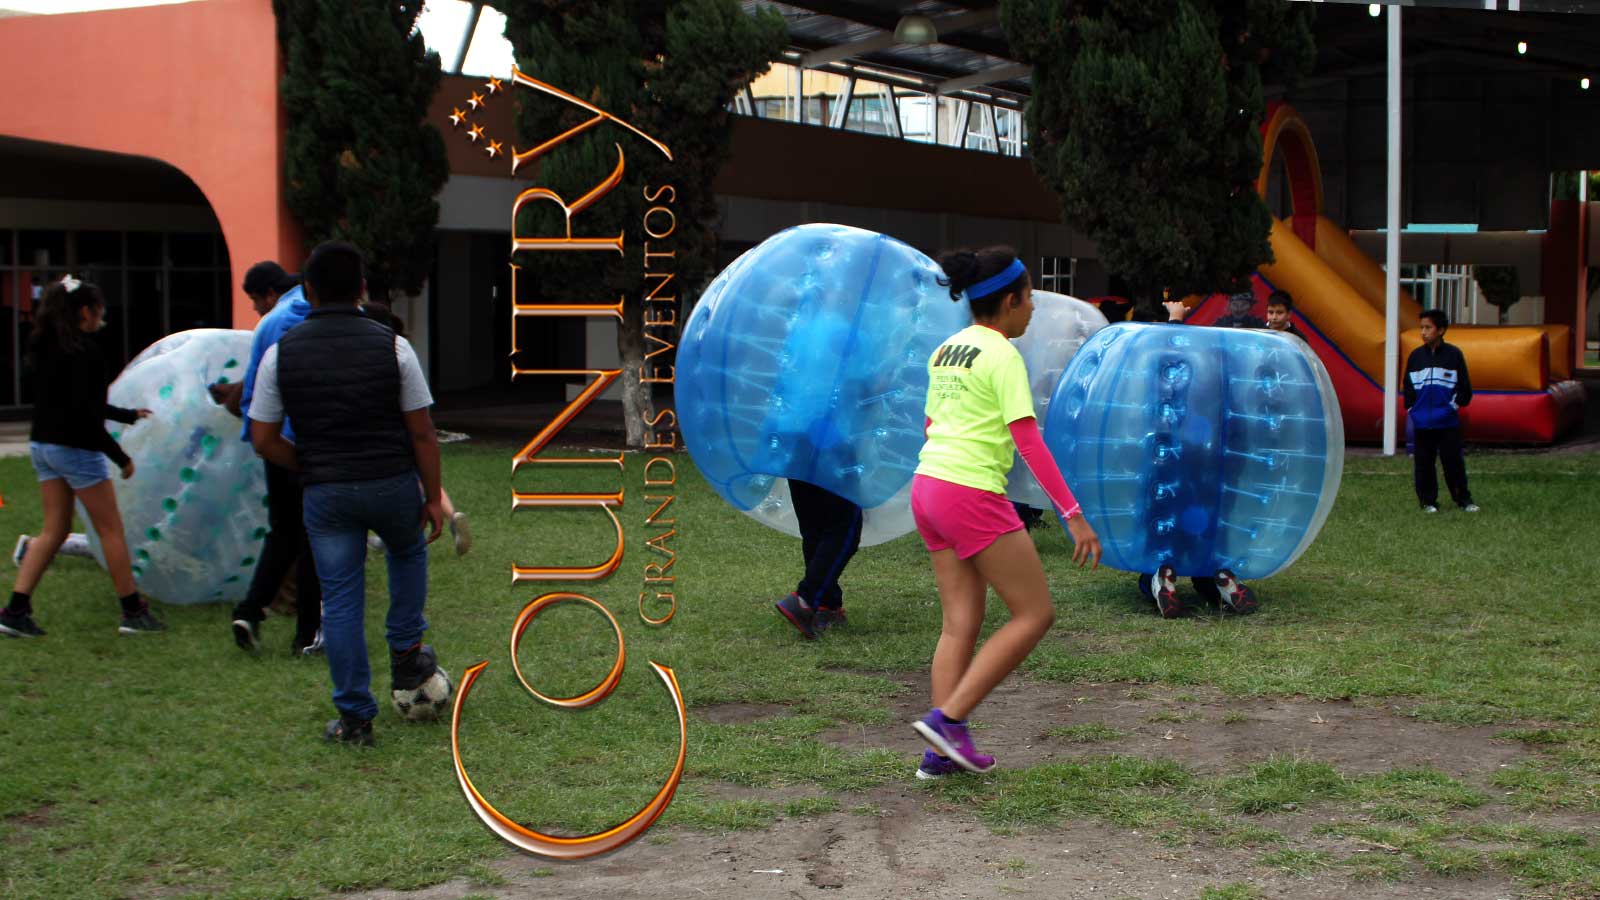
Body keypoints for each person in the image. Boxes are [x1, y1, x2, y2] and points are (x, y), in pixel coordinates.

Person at [908, 247, 1102, 779]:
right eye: (1030, 297)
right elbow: (1028, 440)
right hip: (968, 492)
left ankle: (940, 752)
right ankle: (948, 721)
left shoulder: (947, 350)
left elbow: (931, 425)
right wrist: (1073, 514)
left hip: (929, 487)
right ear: (1011, 300)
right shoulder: (1002, 355)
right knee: (1035, 614)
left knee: (959, 625)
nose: (1035, 307)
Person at [248, 241, 446, 745]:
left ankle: (355, 719)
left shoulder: (280, 353)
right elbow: (423, 432)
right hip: (391, 483)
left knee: (339, 600)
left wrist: (308, 463)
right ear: (361, 288)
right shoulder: (394, 347)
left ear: (307, 290)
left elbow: (263, 438)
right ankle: (407, 653)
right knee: (407, 553)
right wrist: (432, 495)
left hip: (327, 494)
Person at [1, 275, 164, 638]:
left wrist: (127, 415)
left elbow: (79, 403)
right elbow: (86, 417)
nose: (101, 317)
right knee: (111, 530)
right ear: (85, 312)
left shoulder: (43, 346)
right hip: (76, 450)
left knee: (54, 530)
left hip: (43, 447)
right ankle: (133, 612)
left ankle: (15, 611)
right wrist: (120, 457)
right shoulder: (86, 353)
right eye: (99, 310)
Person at [211, 260, 324, 657]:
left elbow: (259, 385)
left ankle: (250, 610)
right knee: (311, 538)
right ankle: (307, 633)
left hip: (274, 442)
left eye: (255, 301)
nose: (255, 309)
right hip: (313, 443)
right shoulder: (316, 315)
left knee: (283, 532)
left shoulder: (272, 323)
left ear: (271, 294)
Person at [1129, 302, 1259, 618]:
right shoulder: (1229, 401)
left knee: (1162, 538)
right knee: (1207, 541)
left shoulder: (1174, 402)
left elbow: (1168, 364)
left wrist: (1175, 320)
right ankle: (1220, 578)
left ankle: (1161, 578)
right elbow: (1240, 450)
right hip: (1213, 480)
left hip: (1173, 470)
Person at [357, 304, 471, 557]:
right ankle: (452, 515)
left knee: (401, 485)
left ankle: (384, 537)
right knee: (425, 480)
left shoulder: (370, 354)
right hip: (411, 428)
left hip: (388, 438)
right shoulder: (400, 349)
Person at [1405, 309, 1478, 514]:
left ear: (1441, 330)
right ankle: (1427, 501)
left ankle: (1463, 500)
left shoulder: (1454, 355)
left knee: (1453, 463)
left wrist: (1452, 407)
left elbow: (1464, 389)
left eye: (1428, 328)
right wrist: (1413, 409)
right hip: (1422, 423)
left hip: (1447, 422)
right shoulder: (1415, 357)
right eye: (1421, 328)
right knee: (1424, 464)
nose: (1423, 332)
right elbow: (1408, 387)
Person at [772, 478, 861, 639]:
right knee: (844, 528)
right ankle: (805, 599)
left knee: (815, 527)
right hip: (833, 465)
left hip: (798, 464)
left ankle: (826, 605)